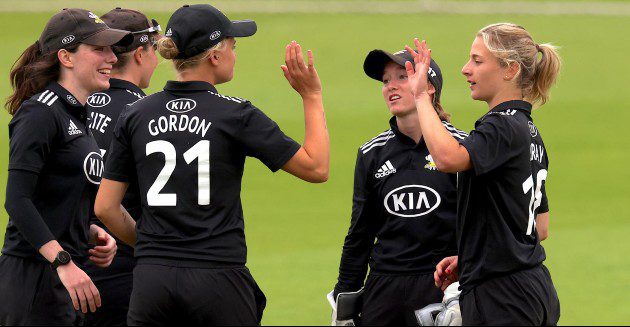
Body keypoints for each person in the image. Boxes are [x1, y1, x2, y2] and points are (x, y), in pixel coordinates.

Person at [93, 4, 329, 325]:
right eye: (233, 45)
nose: (235, 52)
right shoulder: (235, 114)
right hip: (217, 281)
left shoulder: (136, 113)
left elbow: (106, 207)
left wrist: (152, 247)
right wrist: (311, 95)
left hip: (152, 282)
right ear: (215, 56)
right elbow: (316, 168)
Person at [404, 23, 561, 325]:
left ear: (510, 69)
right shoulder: (529, 133)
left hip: (503, 297)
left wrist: (421, 97)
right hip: (532, 289)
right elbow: (538, 228)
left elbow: (448, 158)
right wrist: (473, 257)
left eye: (477, 60)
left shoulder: (501, 125)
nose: (465, 69)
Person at [0, 8, 132, 325]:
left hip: (63, 280)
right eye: (99, 49)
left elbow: (54, 198)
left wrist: (88, 231)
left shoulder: (76, 113)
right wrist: (63, 261)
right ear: (66, 57)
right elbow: (17, 200)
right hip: (33, 280)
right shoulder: (40, 113)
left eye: (112, 49)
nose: (112, 58)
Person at [331, 49, 466, 326]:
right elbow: (360, 234)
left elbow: (479, 228)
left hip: (441, 284)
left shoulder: (461, 149)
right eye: (385, 81)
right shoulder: (372, 153)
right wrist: (343, 300)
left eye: (402, 77)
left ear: (428, 87)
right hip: (384, 288)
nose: (390, 86)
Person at [83, 8, 161, 326]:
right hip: (123, 279)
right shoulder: (145, 115)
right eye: (155, 50)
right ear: (140, 54)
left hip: (59, 270)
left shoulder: (62, 106)